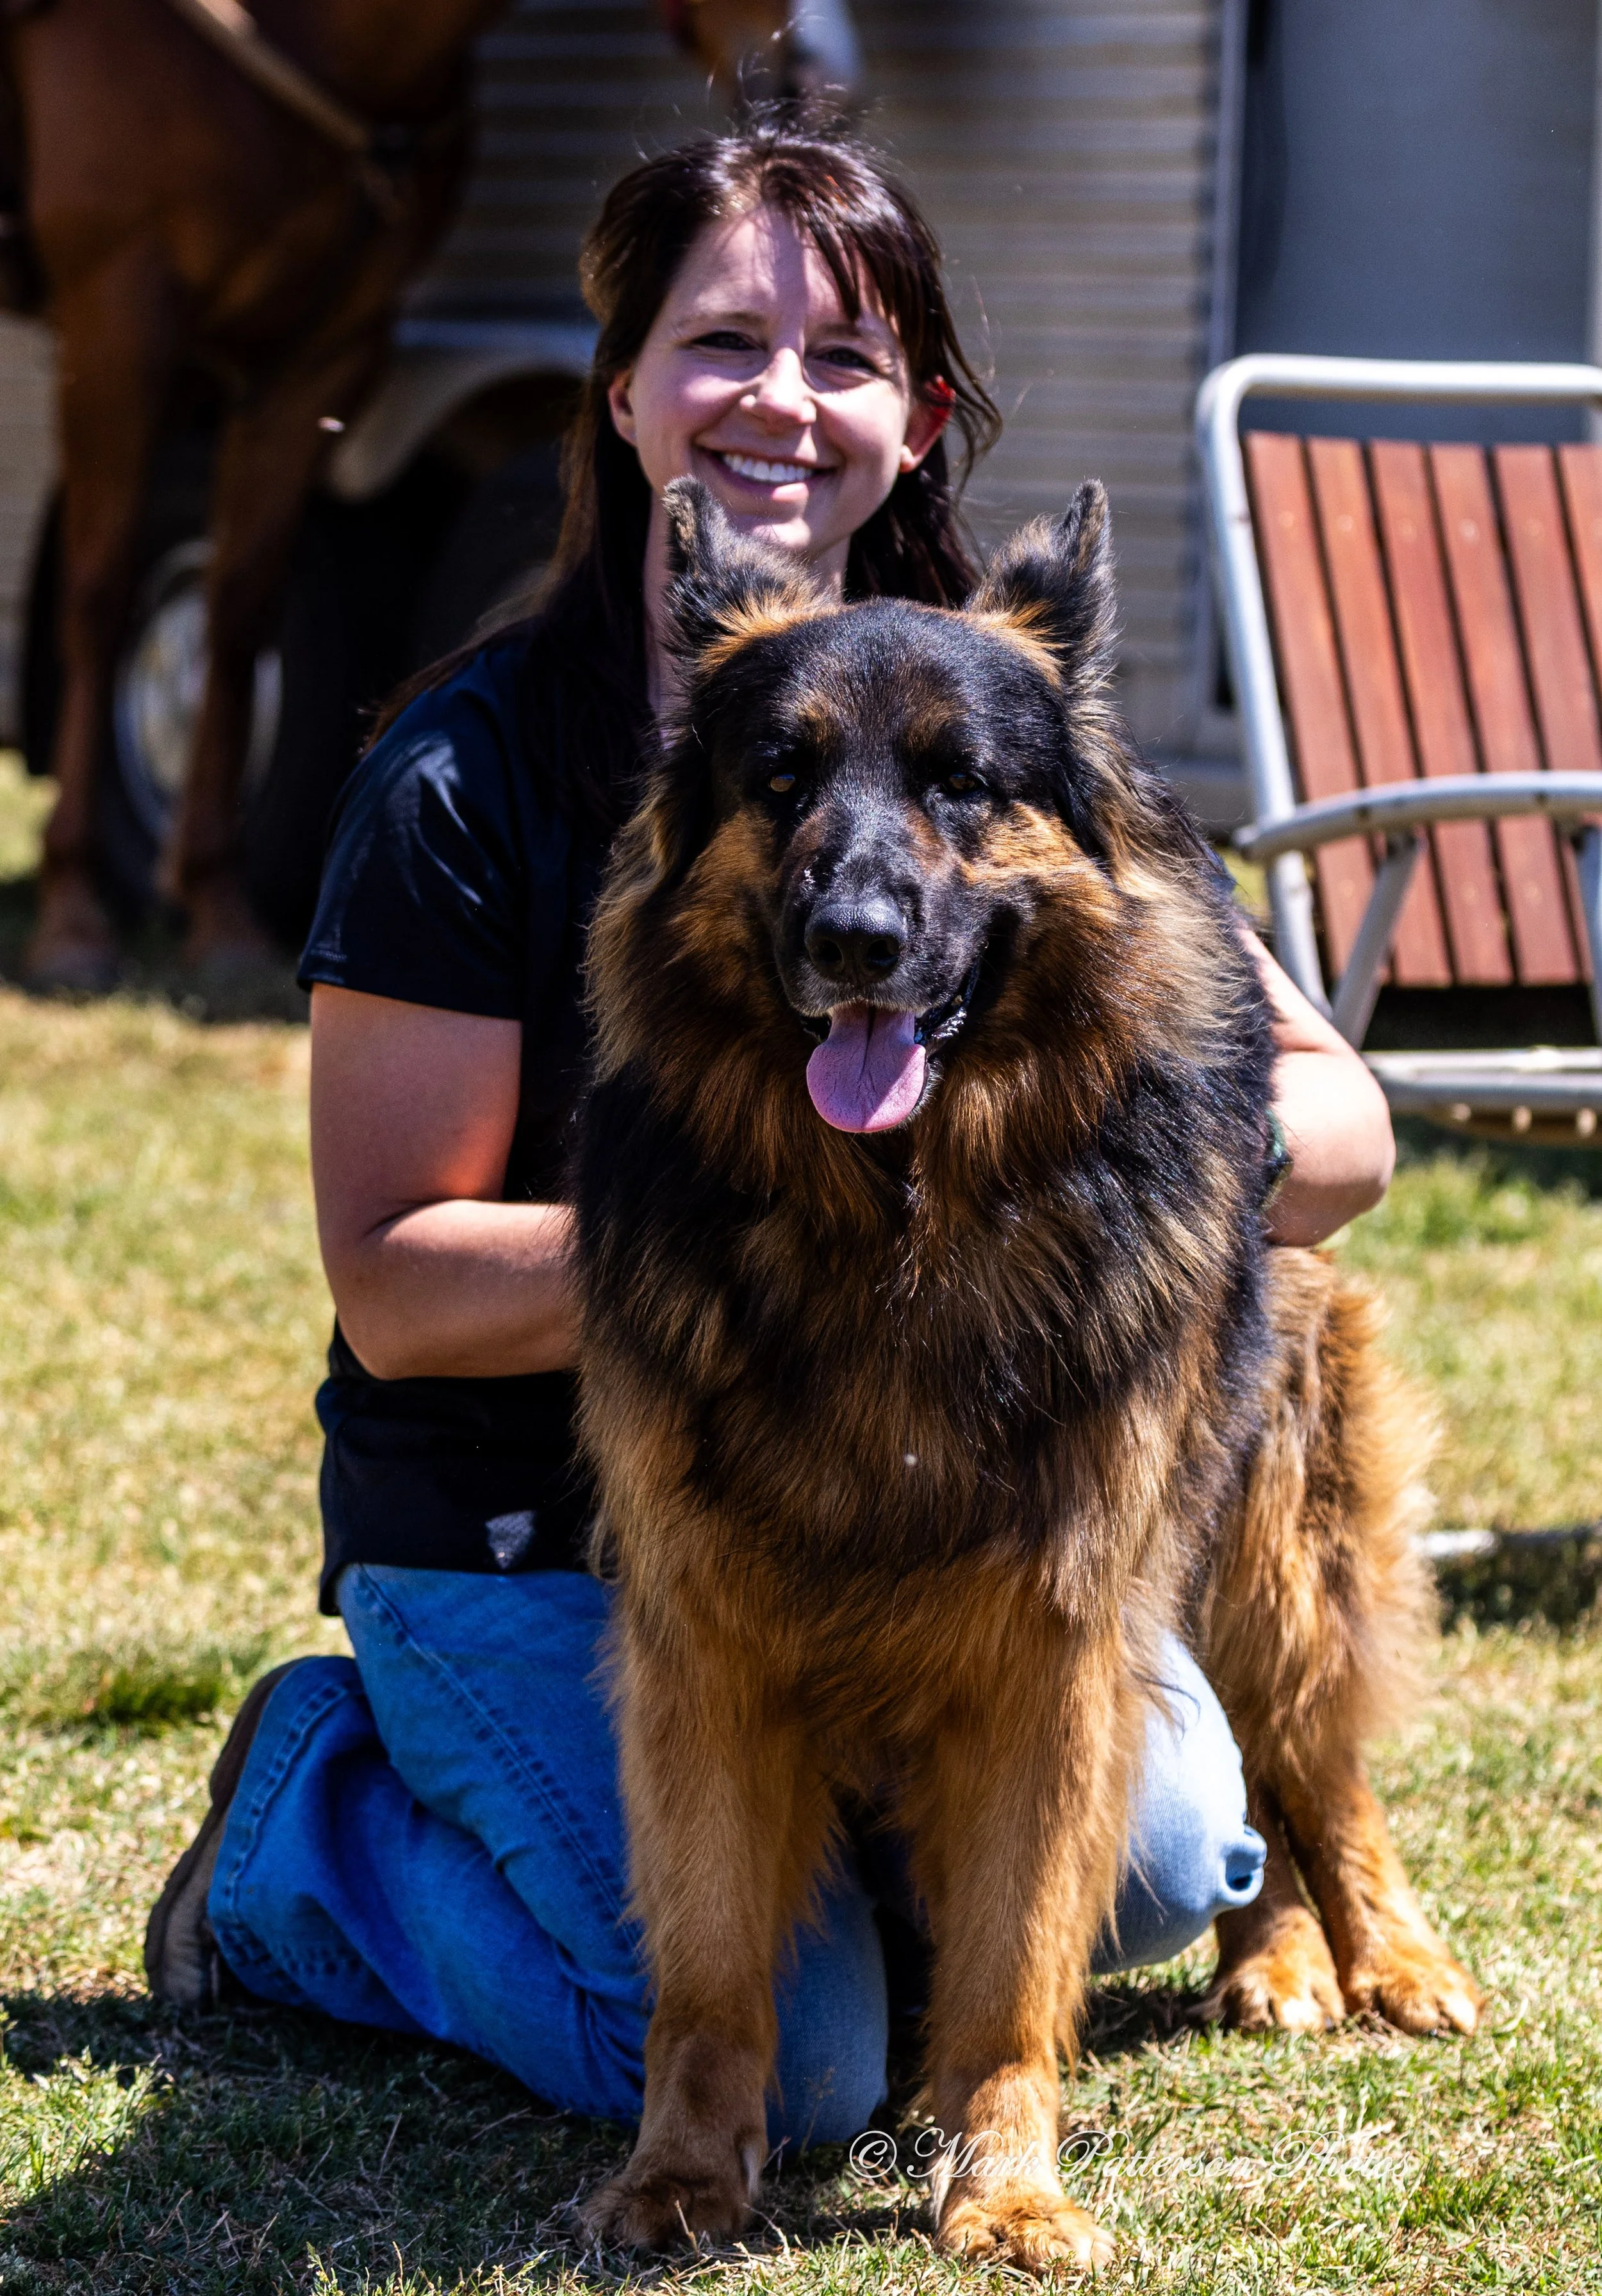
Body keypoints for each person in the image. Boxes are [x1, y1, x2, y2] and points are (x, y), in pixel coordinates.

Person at [145, 112, 1396, 2151]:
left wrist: (1056, 1214)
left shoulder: (1003, 710)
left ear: (919, 419)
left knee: (1166, 1874)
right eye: (722, 340)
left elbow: (1333, 1129)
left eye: (844, 357)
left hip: (934, 1518)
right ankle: (310, 1829)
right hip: (537, 1543)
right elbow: (390, 1292)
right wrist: (773, 1251)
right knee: (802, 2079)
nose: (779, 401)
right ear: (622, 388)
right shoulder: (465, 778)